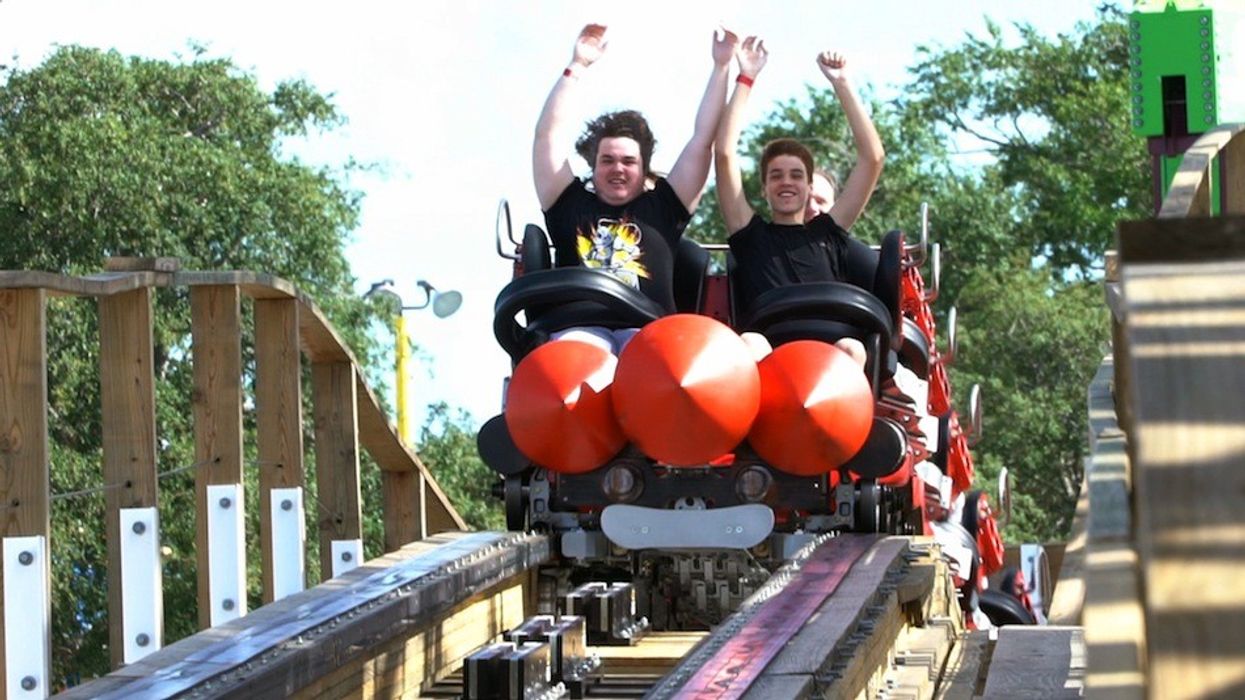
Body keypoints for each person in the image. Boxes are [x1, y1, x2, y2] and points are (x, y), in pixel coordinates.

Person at [532, 24, 735, 354]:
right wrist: (577, 66)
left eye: (628, 161)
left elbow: (702, 142)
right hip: (580, 330)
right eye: (607, 160)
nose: (617, 169)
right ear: (594, 166)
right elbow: (547, 137)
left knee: (653, 364)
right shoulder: (567, 203)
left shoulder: (664, 208)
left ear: (643, 170)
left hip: (647, 333)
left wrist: (722, 67)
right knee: (583, 360)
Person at [715, 39, 884, 366]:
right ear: (764, 188)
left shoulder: (829, 234)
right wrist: (746, 77)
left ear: (808, 187)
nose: (786, 182)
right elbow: (724, 154)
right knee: (749, 342)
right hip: (771, 352)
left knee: (853, 348)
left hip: (828, 357)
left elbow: (872, 158)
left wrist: (842, 82)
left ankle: (840, 415)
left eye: (795, 175)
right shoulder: (751, 236)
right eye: (776, 176)